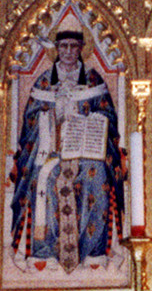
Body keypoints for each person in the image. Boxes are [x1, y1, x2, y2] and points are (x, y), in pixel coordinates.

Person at [10, 29, 123, 272]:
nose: (69, 52)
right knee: (45, 178)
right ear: (56, 50)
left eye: (74, 46)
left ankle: (93, 252)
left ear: (81, 48)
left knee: (98, 176)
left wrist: (91, 118)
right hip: (51, 150)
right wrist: (50, 116)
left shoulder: (93, 80)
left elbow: (109, 116)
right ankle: (46, 252)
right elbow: (30, 120)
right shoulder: (44, 82)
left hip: (85, 151)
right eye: (64, 47)